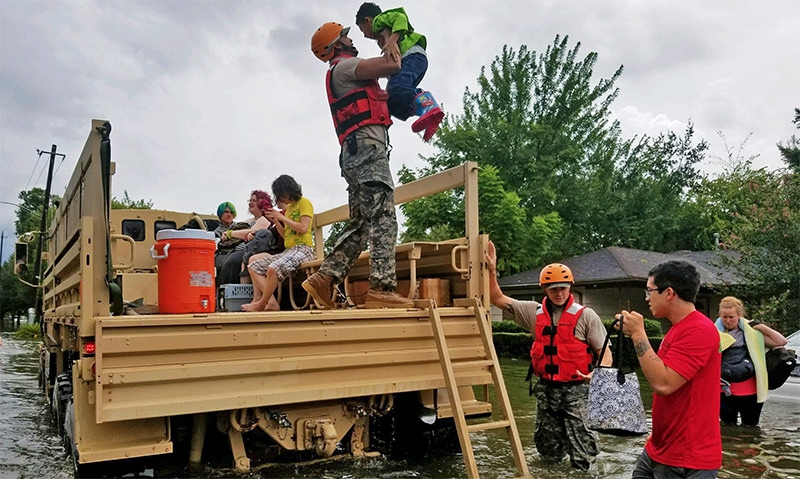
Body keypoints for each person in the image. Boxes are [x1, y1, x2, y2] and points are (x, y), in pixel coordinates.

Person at [305, 22, 413, 310]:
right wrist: (392, 38)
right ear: (337, 44)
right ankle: (381, 289)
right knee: (383, 218)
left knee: (363, 223)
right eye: (345, 36)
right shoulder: (345, 67)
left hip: (355, 153)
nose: (352, 39)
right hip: (367, 153)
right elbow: (392, 65)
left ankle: (325, 278)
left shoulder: (340, 71)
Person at [485, 240, 611, 471]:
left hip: (578, 392)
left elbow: (606, 353)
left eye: (563, 287)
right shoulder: (533, 312)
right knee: (547, 453)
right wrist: (492, 271)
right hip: (547, 392)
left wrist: (598, 373)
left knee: (584, 455)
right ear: (545, 289)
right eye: (553, 288)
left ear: (570, 287)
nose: (559, 293)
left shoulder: (587, 316)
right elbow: (496, 298)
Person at [619, 260, 722, 478]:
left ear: (668, 293)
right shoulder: (679, 328)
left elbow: (663, 384)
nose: (647, 298)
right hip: (660, 447)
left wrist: (638, 333)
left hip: (687, 457)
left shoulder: (699, 330)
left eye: (650, 291)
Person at [355, 2, 443, 142]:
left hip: (412, 56)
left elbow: (400, 17)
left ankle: (428, 103)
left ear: (368, 20)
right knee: (392, 100)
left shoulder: (379, 20)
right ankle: (426, 114)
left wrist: (392, 41)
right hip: (415, 61)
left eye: (363, 30)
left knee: (396, 87)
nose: (365, 35)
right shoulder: (382, 34)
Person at [242, 175, 316, 312]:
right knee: (253, 266)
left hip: (304, 249)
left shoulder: (304, 203)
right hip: (290, 250)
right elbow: (286, 236)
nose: (280, 199)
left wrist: (281, 217)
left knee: (273, 268)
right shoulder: (290, 209)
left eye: (280, 195)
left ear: (287, 190)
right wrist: (276, 221)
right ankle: (270, 302)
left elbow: (303, 228)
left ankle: (262, 303)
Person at [715, 296, 787, 426]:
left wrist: (762, 327)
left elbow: (781, 341)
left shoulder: (752, 333)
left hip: (750, 391)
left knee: (751, 429)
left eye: (731, 317)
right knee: (727, 429)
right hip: (724, 390)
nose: (728, 321)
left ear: (739, 315)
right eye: (724, 317)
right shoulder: (713, 334)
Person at [216, 190, 273, 287]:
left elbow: (251, 232)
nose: (251, 203)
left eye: (254, 200)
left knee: (232, 263)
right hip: (233, 250)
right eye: (250, 200)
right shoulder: (248, 221)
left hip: (249, 252)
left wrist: (230, 233)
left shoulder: (265, 219)